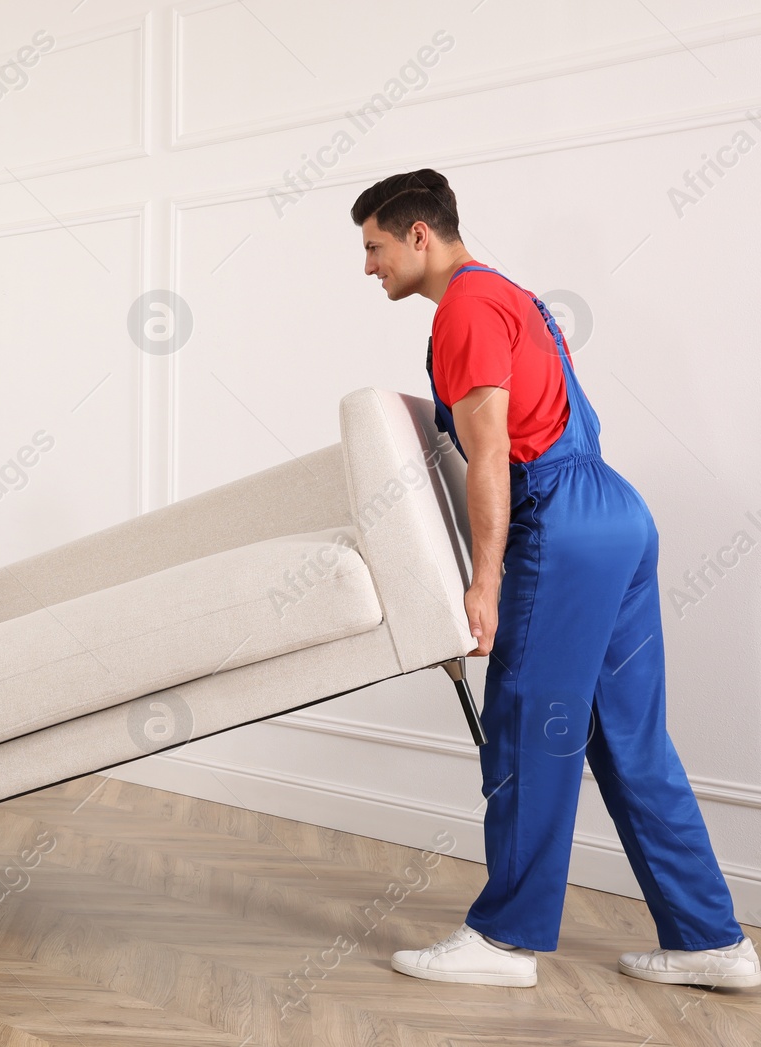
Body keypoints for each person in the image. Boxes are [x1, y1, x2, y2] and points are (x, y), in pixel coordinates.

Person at [350, 169, 758, 989]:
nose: (369, 267)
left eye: (375, 247)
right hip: (617, 512)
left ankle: (505, 941)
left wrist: (485, 581)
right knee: (629, 739)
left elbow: (492, 452)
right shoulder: (514, 295)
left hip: (561, 522)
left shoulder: (464, 307)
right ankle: (711, 938)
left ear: (419, 234)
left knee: (530, 725)